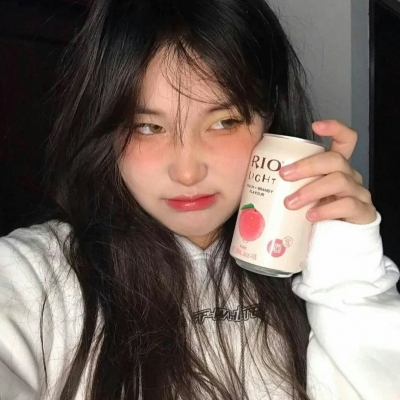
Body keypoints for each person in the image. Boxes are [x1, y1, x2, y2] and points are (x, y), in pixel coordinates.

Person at [0, 0, 399, 399]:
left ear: (269, 118)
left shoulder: (319, 265)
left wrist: (347, 271)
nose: (188, 172)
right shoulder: (40, 277)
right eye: (147, 127)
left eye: (224, 122)